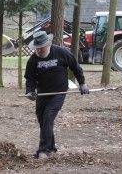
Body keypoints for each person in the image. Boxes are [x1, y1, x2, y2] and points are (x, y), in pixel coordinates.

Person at [24, 31, 89, 159]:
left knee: (48, 117)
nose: (39, 50)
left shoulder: (61, 53)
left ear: (48, 44)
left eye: (41, 47)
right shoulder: (33, 59)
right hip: (42, 93)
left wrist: (82, 83)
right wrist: (30, 91)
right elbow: (30, 78)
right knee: (42, 119)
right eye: (37, 48)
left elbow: (75, 67)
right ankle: (51, 147)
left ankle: (44, 150)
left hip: (59, 92)